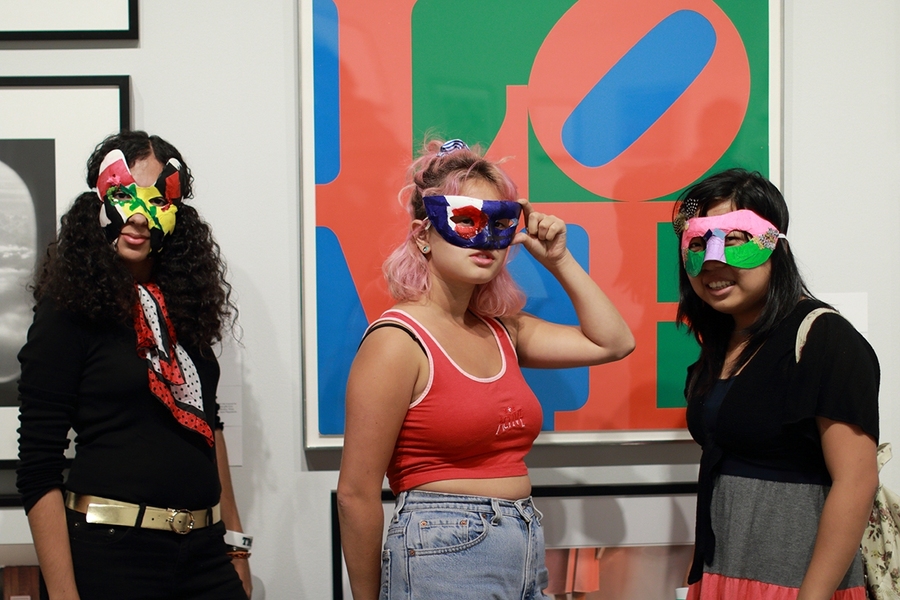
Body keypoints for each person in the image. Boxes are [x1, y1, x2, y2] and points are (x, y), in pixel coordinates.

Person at [336, 138, 635, 600]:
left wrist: (558, 259)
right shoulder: (397, 342)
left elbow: (614, 342)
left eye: (499, 223)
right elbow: (356, 493)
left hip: (522, 548)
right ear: (422, 235)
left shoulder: (502, 331)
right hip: (442, 554)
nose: (484, 239)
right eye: (465, 220)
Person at [16, 131, 252, 600]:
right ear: (97, 201)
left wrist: (236, 546)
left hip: (204, 551)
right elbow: (38, 465)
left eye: (158, 202)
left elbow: (210, 426)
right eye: (124, 196)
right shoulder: (68, 310)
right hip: (112, 556)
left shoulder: (185, 307)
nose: (140, 217)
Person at [673, 168, 879, 599]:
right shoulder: (721, 342)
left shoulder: (825, 339)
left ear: (775, 244)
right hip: (723, 572)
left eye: (734, 239)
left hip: (795, 581)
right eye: (698, 242)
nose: (713, 261)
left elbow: (856, 481)